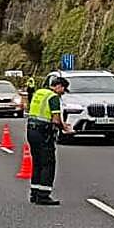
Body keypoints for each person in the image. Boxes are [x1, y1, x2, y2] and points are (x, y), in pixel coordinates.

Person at [26, 75, 73, 206]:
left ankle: (34, 193)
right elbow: (56, 119)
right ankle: (44, 195)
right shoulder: (53, 97)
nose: (63, 93)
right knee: (48, 163)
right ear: (58, 86)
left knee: (37, 162)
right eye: (63, 90)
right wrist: (65, 128)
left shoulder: (39, 92)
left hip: (31, 130)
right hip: (43, 132)